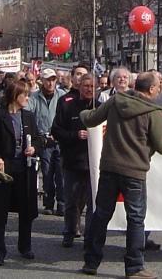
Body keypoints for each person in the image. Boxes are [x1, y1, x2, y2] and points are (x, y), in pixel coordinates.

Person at [79, 70, 162, 279]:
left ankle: (91, 262)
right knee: (135, 219)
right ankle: (135, 267)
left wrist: (81, 113)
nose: (160, 88)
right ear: (152, 89)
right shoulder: (154, 111)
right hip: (134, 172)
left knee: (101, 215)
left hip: (109, 168)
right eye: (159, 86)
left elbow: (90, 119)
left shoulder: (116, 101)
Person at [0, 79, 44, 265]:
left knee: (26, 210)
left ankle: (25, 246)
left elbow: (38, 139)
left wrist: (35, 148)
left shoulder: (28, 116)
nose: (28, 98)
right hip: (3, 168)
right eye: (25, 95)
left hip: (25, 168)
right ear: (15, 96)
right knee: (0, 211)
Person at [53, 73, 96, 248]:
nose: (89, 89)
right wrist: (75, 135)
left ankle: (90, 236)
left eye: (92, 87)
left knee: (93, 203)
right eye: (86, 86)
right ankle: (69, 231)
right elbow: (56, 130)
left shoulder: (101, 107)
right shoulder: (67, 104)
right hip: (72, 162)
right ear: (79, 86)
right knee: (71, 201)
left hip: (94, 163)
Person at [29, 68, 65, 215]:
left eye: (53, 79)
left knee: (61, 174)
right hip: (44, 141)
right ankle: (49, 203)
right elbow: (28, 115)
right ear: (42, 81)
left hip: (61, 140)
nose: (50, 83)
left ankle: (62, 204)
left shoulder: (63, 96)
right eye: (47, 80)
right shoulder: (34, 97)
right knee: (47, 173)